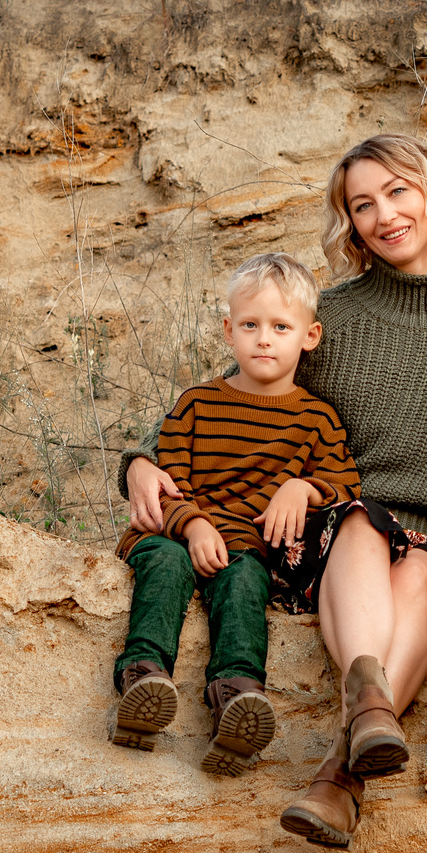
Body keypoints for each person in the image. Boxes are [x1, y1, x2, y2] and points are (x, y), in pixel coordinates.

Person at [123, 135, 427, 848]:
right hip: (332, 530)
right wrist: (139, 462)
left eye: (397, 192)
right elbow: (236, 395)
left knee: (418, 574)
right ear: (349, 223)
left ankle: (343, 770)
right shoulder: (335, 319)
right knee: (362, 523)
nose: (384, 214)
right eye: (362, 204)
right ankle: (366, 701)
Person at [111, 253, 359, 776]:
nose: (263, 339)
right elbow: (167, 486)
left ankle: (236, 697)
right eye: (250, 325)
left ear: (309, 336)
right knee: (165, 566)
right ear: (229, 330)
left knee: (246, 581)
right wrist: (195, 525)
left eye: (280, 327)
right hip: (173, 534)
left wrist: (302, 487)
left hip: (245, 546)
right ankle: (143, 678)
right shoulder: (197, 404)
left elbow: (345, 489)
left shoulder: (317, 418)